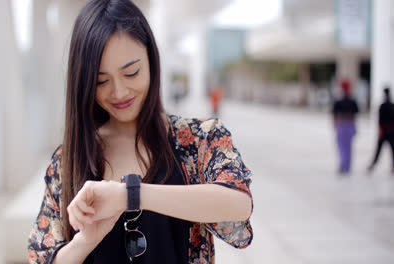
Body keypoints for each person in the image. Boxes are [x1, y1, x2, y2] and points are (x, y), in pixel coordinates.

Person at [27, 0, 253, 263]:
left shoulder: (198, 139)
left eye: (131, 73)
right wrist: (85, 241)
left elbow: (238, 204)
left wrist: (130, 196)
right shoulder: (69, 159)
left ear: (151, 59)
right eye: (101, 81)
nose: (119, 92)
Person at [332, 79, 359, 174]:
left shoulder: (339, 101)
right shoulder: (352, 101)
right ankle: (347, 166)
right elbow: (355, 115)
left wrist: (335, 125)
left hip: (341, 125)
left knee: (342, 147)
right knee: (348, 148)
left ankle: (343, 165)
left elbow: (335, 115)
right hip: (350, 125)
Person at [368, 86, 394, 173]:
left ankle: (372, 165)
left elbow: (380, 120)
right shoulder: (391, 105)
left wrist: (380, 130)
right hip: (390, 130)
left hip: (385, 130)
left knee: (379, 150)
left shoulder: (383, 106)